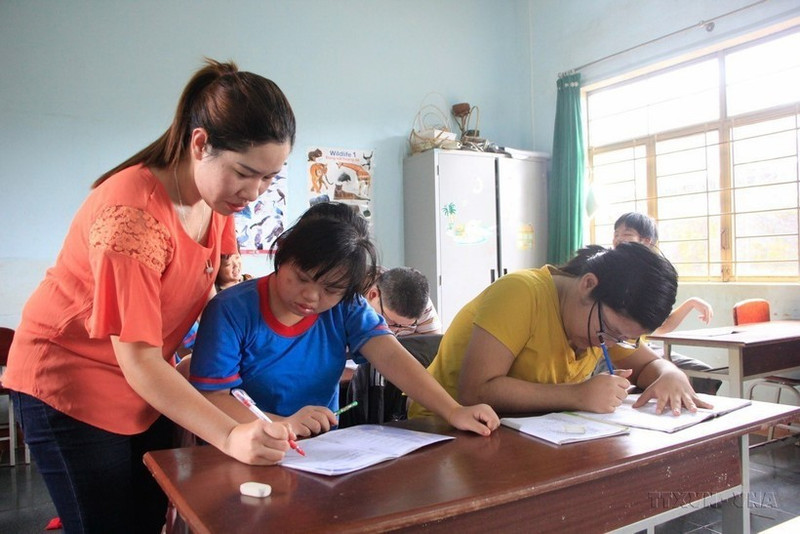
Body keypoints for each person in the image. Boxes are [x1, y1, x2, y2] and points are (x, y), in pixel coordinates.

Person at [2, 59, 298, 533]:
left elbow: (220, 291)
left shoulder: (217, 202)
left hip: (146, 382)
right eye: (246, 172)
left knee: (149, 515)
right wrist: (230, 435)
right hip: (71, 381)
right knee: (106, 523)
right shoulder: (132, 217)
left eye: (269, 178)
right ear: (199, 144)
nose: (255, 193)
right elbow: (138, 359)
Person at [188, 202, 499, 439]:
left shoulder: (346, 307)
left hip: (320, 450)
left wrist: (453, 411)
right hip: (245, 445)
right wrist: (281, 425)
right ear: (282, 254)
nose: (311, 297)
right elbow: (212, 398)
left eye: (331, 289)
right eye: (302, 278)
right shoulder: (231, 310)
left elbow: (391, 357)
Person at [408, 243, 714, 419]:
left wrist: (670, 375)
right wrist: (578, 395)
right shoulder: (521, 293)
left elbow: (648, 365)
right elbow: (475, 391)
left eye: (623, 340)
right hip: (442, 429)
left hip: (521, 433)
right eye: (611, 331)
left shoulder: (601, 323)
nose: (609, 344)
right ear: (588, 285)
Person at [600, 212, 721, 394]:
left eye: (626, 234)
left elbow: (659, 327)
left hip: (641, 349)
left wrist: (690, 303)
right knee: (638, 382)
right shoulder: (609, 272)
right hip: (611, 349)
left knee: (703, 374)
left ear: (646, 241)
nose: (618, 239)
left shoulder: (652, 278)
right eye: (616, 234)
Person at [363, 266, 442, 336]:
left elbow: (432, 342)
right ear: (373, 295)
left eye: (407, 326)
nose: (395, 331)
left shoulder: (419, 300)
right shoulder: (356, 294)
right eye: (390, 322)